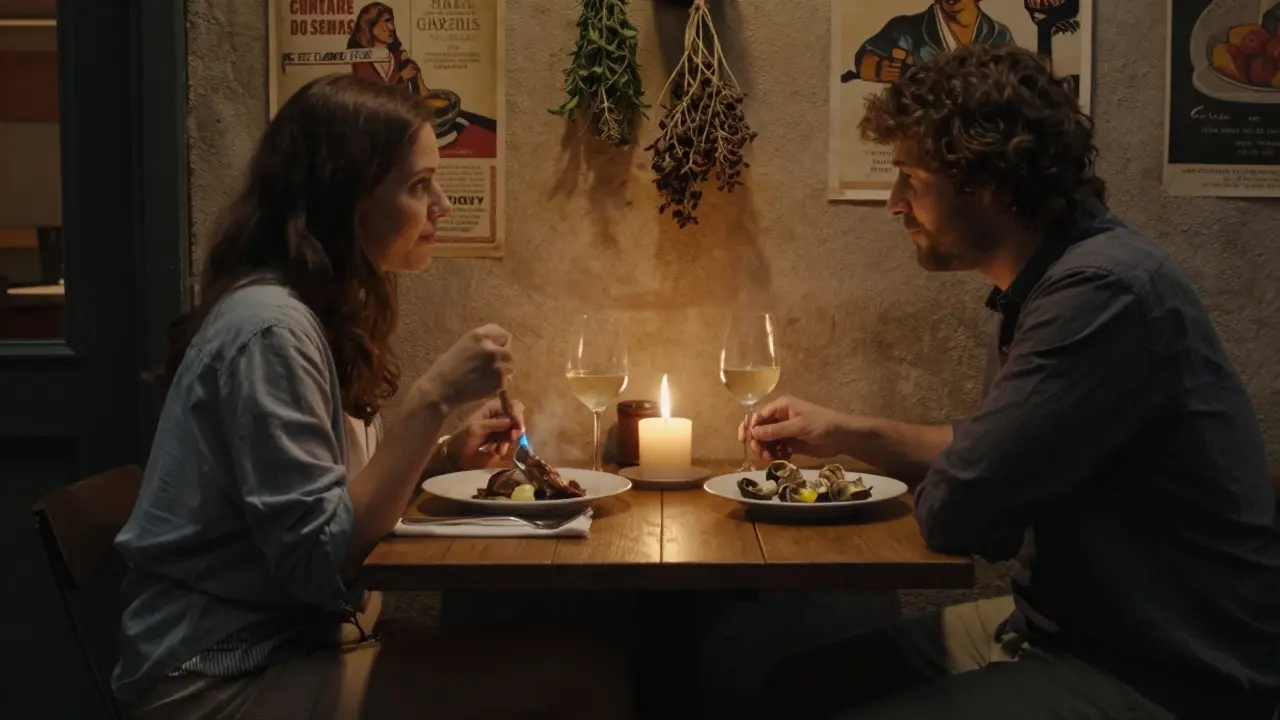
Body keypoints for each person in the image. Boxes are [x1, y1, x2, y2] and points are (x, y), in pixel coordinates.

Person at [746, 45, 1280, 719]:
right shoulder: (1051, 278)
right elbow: (994, 451)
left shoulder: (1100, 293)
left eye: (910, 177)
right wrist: (851, 433)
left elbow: (963, 510)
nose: (893, 203)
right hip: (1061, 627)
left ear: (989, 181)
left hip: (1168, 669)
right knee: (795, 690)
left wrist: (965, 473)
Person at [113, 73, 631, 719]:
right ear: (345, 200)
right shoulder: (271, 329)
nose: (441, 203)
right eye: (418, 186)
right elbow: (320, 563)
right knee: (585, 682)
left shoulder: (313, 309)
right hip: (222, 675)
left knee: (578, 654)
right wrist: (433, 397)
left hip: (307, 645)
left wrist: (442, 457)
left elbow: (338, 494)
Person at [840, 0, 1015, 84]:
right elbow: (865, 55)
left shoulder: (999, 35)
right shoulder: (905, 28)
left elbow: (1017, 78)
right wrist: (878, 69)